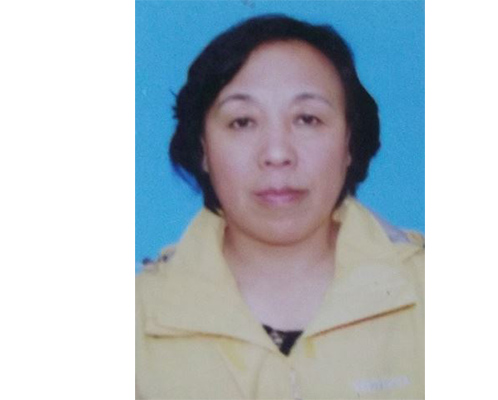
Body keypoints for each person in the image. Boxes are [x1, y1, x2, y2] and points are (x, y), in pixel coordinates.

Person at [136, 15, 424, 399]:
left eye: (307, 119)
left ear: (350, 143)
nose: (276, 153)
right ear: (202, 148)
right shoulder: (136, 316)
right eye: (242, 122)